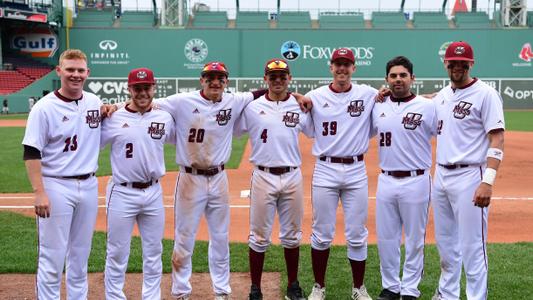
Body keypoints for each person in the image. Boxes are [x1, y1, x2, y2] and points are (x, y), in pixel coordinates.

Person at [153, 61, 267, 300]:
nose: (215, 82)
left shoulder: (233, 100)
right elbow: (147, 103)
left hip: (219, 178)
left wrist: (297, 95)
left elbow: (262, 92)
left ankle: (222, 291)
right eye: (210, 77)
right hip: (190, 179)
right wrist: (113, 108)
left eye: (220, 78)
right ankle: (181, 291)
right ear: (201, 80)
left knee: (220, 237)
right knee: (184, 236)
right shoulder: (182, 101)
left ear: (226, 81)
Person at [22, 49, 103, 299]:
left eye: (80, 70)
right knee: (52, 254)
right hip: (57, 185)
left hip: (88, 185)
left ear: (87, 73)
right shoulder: (44, 108)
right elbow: (31, 152)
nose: (75, 75)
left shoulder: (94, 102)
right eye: (70, 70)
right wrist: (40, 193)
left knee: (80, 254)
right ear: (59, 71)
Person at [431, 41, 505, 300]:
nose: (457, 67)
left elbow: (497, 139)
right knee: (447, 246)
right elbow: (419, 104)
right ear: (446, 63)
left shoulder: (485, 94)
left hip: (470, 175)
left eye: (463, 63)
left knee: (473, 247)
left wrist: (488, 181)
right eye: (453, 62)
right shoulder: (442, 95)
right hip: (440, 176)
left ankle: (476, 297)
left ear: (471, 64)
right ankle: (447, 294)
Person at [234, 59, 313, 300]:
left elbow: (311, 131)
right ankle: (255, 288)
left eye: (282, 76)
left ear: (290, 78)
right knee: (258, 236)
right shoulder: (251, 107)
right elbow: (234, 129)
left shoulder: (300, 106)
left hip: (291, 175)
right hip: (263, 175)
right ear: (265, 79)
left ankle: (293, 286)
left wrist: (299, 98)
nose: (278, 80)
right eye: (273, 76)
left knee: (292, 235)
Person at [305, 48, 377, 300]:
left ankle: (358, 288)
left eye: (347, 64)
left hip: (356, 169)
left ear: (354, 68)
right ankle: (318, 287)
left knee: (357, 233)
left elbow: (394, 98)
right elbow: (307, 128)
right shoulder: (314, 96)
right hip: (325, 168)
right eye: (338, 64)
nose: (342, 69)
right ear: (330, 67)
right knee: (322, 232)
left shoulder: (368, 94)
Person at [101, 68, 175, 300]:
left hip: (153, 191)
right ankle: (114, 297)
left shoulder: (164, 116)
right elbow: (91, 143)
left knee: (154, 251)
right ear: (129, 89)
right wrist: (111, 108)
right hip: (122, 192)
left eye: (147, 87)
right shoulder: (113, 118)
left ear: (154, 88)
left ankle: (151, 297)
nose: (142, 92)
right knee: (117, 252)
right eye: (137, 88)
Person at [372, 56, 437, 300]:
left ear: (412, 78)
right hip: (386, 179)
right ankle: (391, 286)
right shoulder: (377, 104)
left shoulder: (427, 106)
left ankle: (410, 289)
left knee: (414, 239)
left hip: (416, 179)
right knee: (387, 238)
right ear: (386, 79)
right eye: (393, 76)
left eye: (403, 75)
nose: (398, 79)